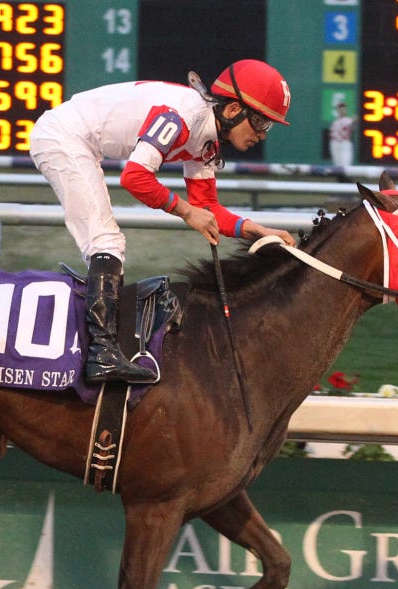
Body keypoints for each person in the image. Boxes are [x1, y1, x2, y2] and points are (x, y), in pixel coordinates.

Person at [29, 59, 296, 384]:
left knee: (109, 244)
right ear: (232, 109)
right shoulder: (181, 116)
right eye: (261, 122)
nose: (262, 134)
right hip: (62, 137)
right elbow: (135, 177)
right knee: (106, 243)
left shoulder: (208, 140)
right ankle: (102, 354)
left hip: (81, 142)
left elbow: (207, 207)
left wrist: (253, 229)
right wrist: (186, 212)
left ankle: (106, 349)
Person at [329, 101, 354, 169]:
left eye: (344, 109)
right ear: (338, 110)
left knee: (345, 165)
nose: (342, 110)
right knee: (337, 166)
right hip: (335, 144)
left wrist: (354, 120)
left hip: (344, 144)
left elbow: (352, 125)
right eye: (340, 109)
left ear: (346, 110)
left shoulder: (348, 120)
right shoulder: (335, 122)